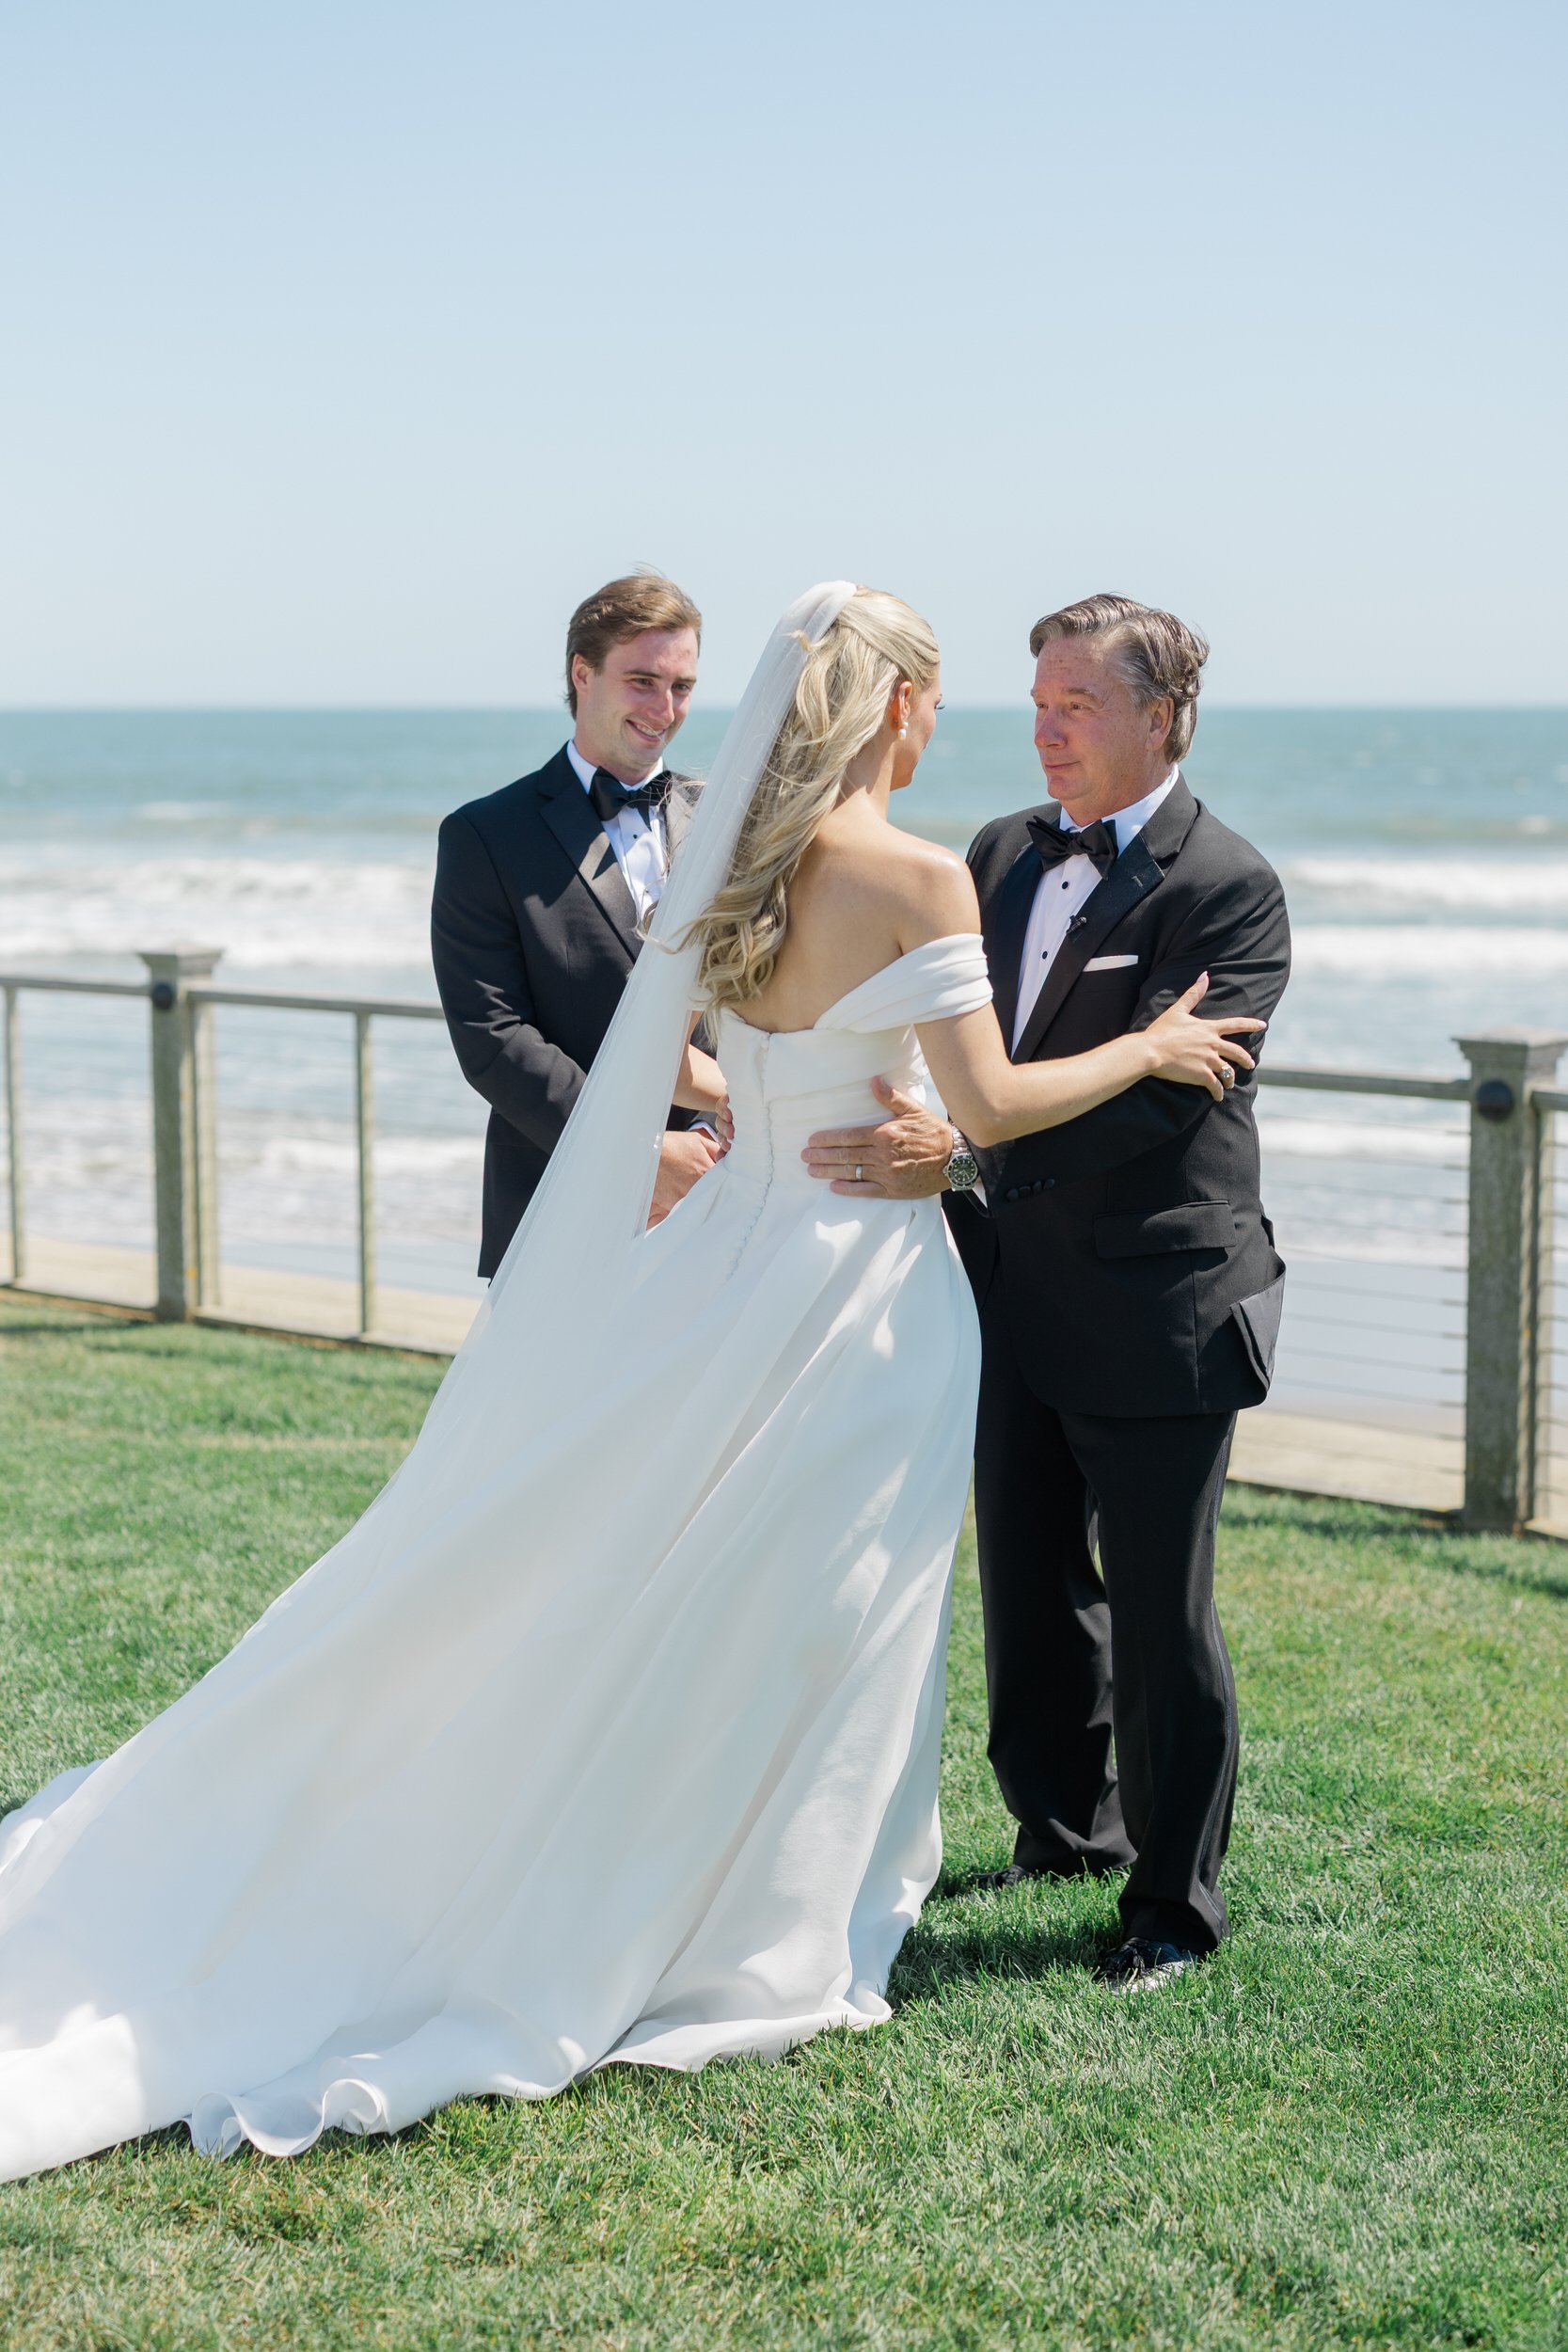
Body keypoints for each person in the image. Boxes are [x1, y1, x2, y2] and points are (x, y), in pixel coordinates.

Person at [0, 585, 1260, 2180]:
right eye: (937, 702)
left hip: (731, 1267)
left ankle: (704, 1872)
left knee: (706, 1586)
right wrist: (1148, 1051)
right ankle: (759, 1910)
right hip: (864, 1293)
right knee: (823, 1610)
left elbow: (703, 1058)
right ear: (894, 711)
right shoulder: (918, 872)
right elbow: (994, 1109)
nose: (952, 730)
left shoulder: (733, 862)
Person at [801, 595, 1291, 1988]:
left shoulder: (1227, 888)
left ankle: (1168, 1908)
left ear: (1161, 719)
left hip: (1160, 1298)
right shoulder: (999, 852)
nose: (1044, 731)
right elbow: (965, 1047)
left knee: (1156, 1604)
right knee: (1023, 1580)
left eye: (1075, 707)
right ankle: (1062, 1826)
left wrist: (955, 1150)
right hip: (1002, 1282)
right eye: (1035, 704)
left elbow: (1162, 1106)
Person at [431, 569, 724, 1268]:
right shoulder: (484, 835)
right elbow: (493, 1040)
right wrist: (637, 1157)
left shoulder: (722, 819)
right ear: (581, 673)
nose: (665, 706)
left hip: (721, 1197)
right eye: (642, 681)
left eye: (681, 687)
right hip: (558, 1205)